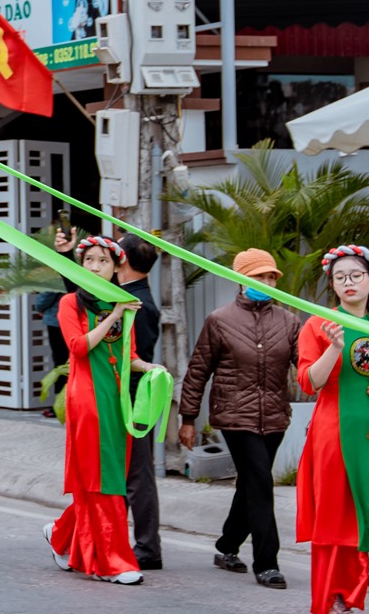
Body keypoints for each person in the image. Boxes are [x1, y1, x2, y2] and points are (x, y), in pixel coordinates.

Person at [177, 248, 299, 589]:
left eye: (270, 276)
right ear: (240, 279)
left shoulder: (289, 321)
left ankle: (227, 546)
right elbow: (198, 371)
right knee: (261, 482)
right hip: (234, 416)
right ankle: (267, 563)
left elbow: (305, 367)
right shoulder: (220, 320)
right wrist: (188, 418)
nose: (266, 282)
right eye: (259, 276)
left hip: (274, 417)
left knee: (250, 485)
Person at [46, 235, 153, 584]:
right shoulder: (70, 304)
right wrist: (115, 315)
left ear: (115, 267)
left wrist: (151, 369)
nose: (95, 266)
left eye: (103, 261)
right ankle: (111, 563)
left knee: (103, 478)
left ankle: (61, 534)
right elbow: (78, 347)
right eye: (89, 259)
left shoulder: (124, 304)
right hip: (86, 399)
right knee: (103, 478)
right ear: (81, 264)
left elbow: (129, 357)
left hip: (115, 398)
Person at [294, 245, 369, 614]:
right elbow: (309, 382)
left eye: (356, 274)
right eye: (340, 277)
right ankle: (336, 598)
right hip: (335, 432)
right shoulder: (320, 324)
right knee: (338, 514)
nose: (349, 283)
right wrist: (335, 348)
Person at [115, 233, 165, 571]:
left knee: (138, 475)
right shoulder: (130, 297)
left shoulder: (139, 304)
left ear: (124, 261)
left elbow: (136, 356)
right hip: (131, 396)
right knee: (129, 473)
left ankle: (147, 548)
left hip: (134, 398)